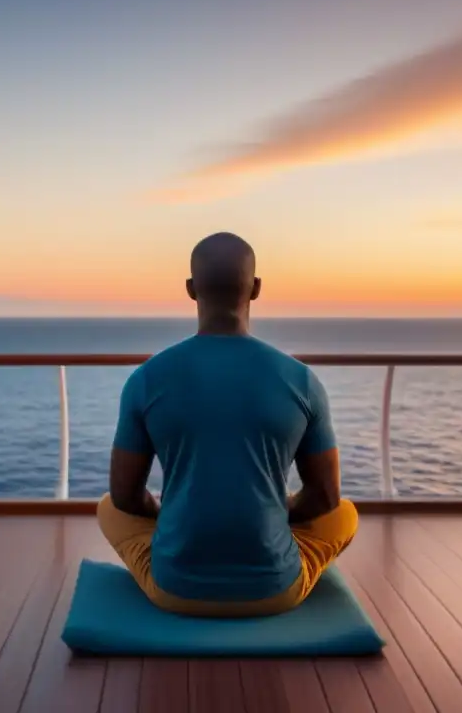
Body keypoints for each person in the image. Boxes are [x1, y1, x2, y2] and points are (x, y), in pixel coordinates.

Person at [96, 232, 358, 617]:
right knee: (345, 514)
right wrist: (281, 511)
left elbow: (124, 497)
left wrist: (163, 513)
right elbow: (325, 497)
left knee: (107, 508)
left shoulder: (146, 379)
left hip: (174, 589)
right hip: (276, 590)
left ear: (190, 289)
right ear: (256, 288)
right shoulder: (302, 380)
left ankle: (179, 541)